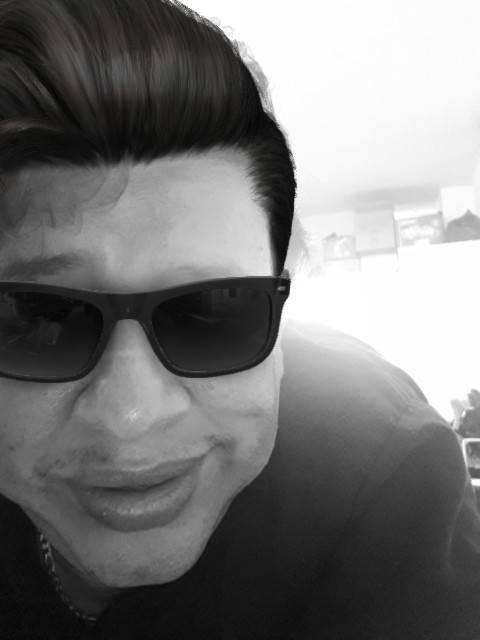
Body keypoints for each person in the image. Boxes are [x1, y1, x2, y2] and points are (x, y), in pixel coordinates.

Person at [0, 1, 479, 639]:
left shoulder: (388, 475)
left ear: (282, 322)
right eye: (39, 316)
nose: (131, 414)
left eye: (212, 312)